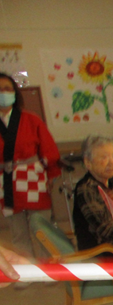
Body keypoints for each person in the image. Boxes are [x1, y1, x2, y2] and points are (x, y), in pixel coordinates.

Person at [0, 72, 60, 266]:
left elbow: (49, 150)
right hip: (6, 184)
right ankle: (26, 273)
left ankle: (48, 271)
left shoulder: (31, 119)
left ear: (15, 93)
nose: (3, 93)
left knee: (42, 230)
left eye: (7, 89)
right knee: (18, 234)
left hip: (34, 179)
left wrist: (51, 175)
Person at [72, 135, 113, 252]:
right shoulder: (86, 189)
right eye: (104, 158)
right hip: (103, 252)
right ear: (88, 163)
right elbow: (106, 231)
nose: (111, 162)